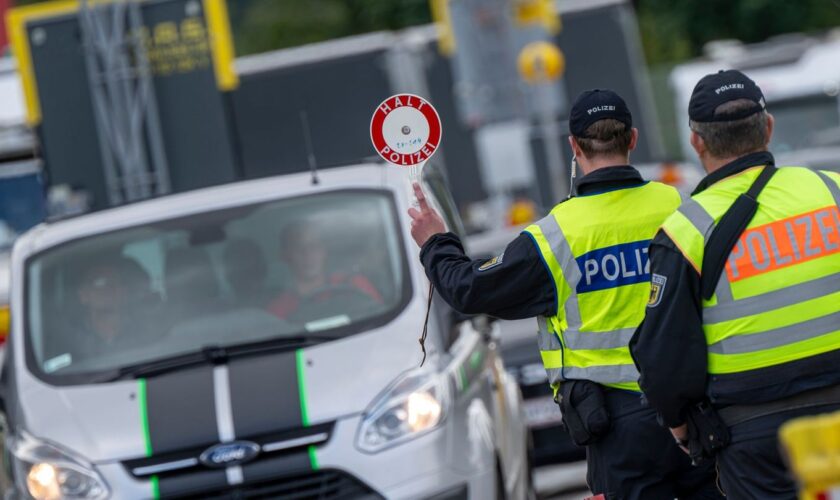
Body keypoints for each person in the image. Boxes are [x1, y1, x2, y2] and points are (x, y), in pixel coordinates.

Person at [409, 89, 720, 499]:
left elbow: (468, 289)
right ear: (632, 139)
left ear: (573, 146)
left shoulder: (555, 236)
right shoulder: (679, 205)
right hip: (695, 408)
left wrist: (435, 243)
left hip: (617, 429)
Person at [630, 69, 840, 498]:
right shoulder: (831, 191)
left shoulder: (686, 231)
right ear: (768, 127)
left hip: (755, 432)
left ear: (697, 142)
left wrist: (681, 426)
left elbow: (664, 354)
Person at [267, 220, 381, 320]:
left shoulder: (354, 284)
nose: (308, 254)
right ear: (285, 256)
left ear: (324, 250)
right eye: (298, 248)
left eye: (314, 246)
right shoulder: (277, 311)